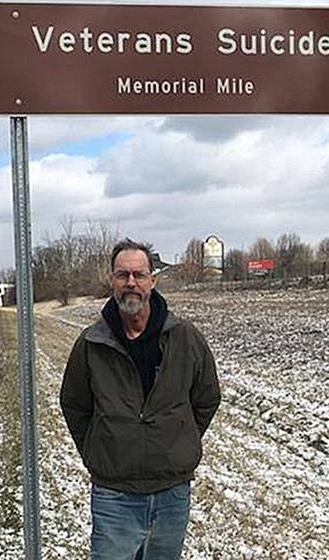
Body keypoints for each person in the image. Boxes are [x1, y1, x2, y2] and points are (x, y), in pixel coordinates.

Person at [60, 238, 221, 559]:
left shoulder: (185, 338)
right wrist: (99, 449)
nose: (130, 283)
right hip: (114, 495)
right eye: (122, 275)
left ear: (153, 280)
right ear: (112, 281)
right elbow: (75, 405)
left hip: (171, 492)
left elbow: (206, 398)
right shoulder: (92, 343)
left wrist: (177, 439)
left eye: (138, 274)